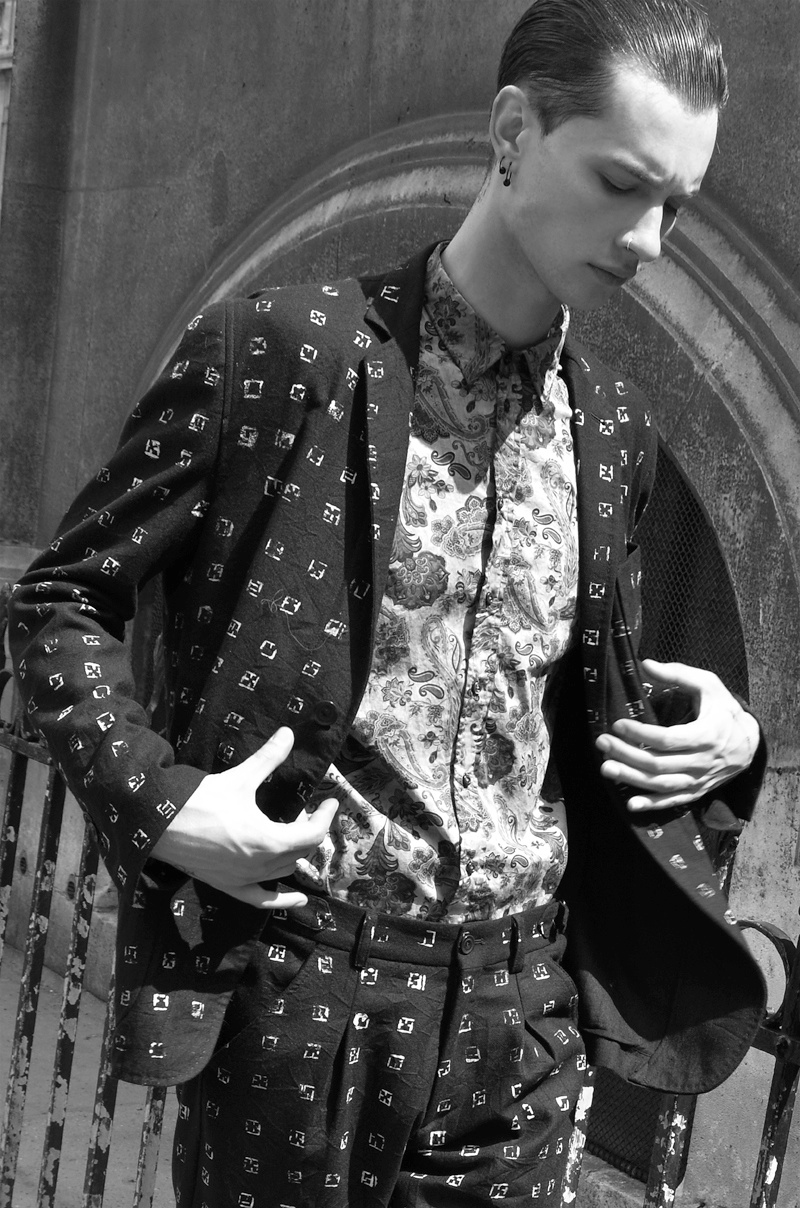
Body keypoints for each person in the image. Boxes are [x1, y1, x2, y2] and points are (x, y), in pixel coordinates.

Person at [9, 1, 767, 1204]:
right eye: (621, 183)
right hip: (301, 997)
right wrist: (163, 803)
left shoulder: (615, 433)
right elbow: (64, 598)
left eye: (673, 204)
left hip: (520, 1024)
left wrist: (725, 741)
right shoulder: (280, 352)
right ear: (511, 134)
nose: (647, 240)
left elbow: (584, 709)